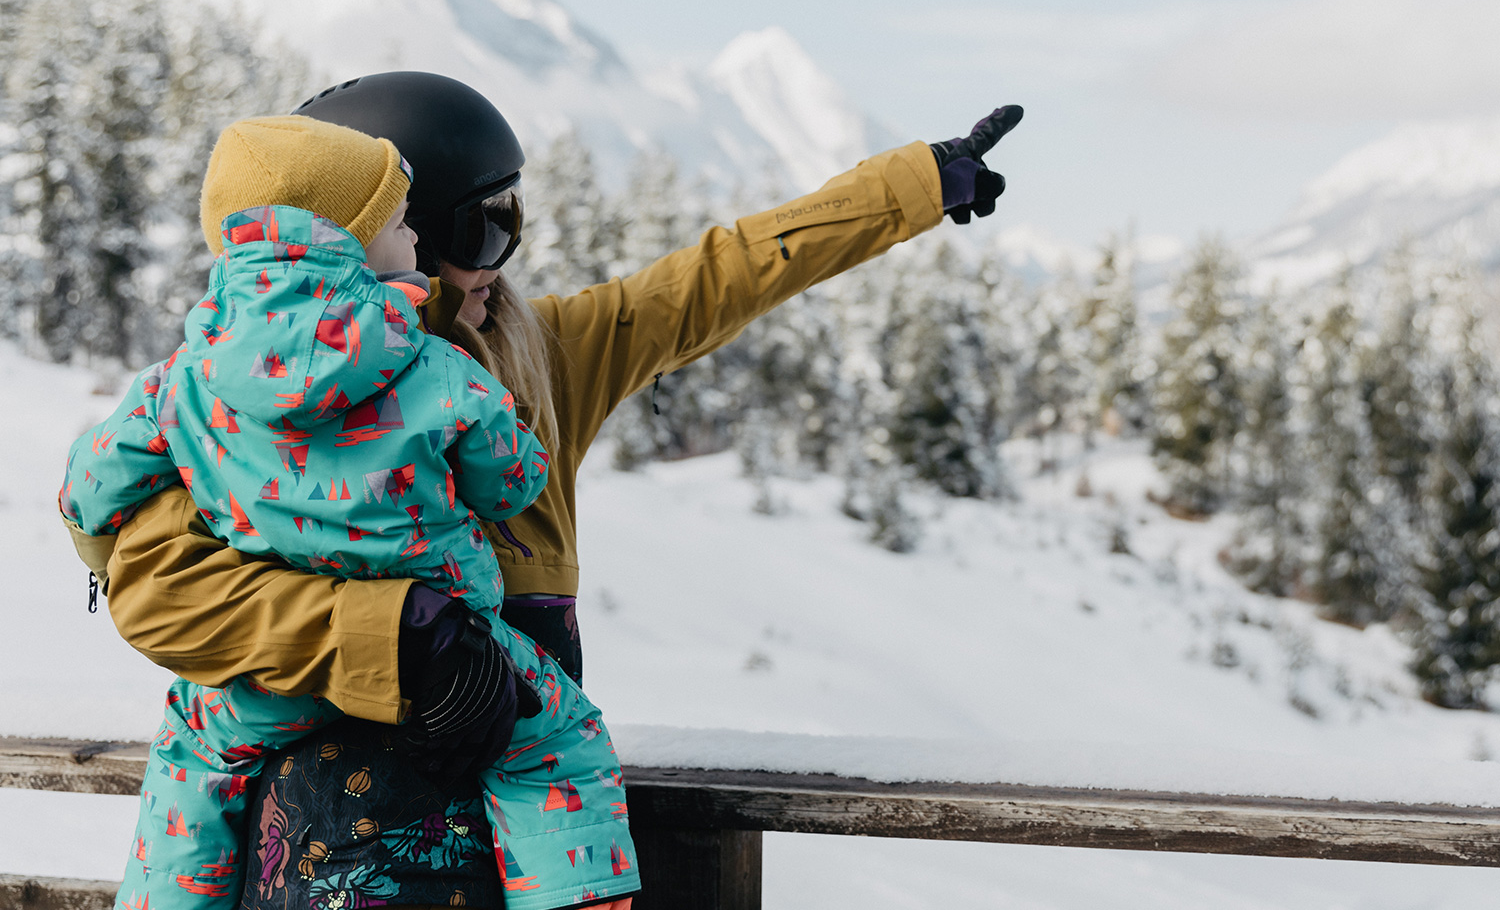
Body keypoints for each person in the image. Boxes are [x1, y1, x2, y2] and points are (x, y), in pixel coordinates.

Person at [67, 71, 1021, 908]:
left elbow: (717, 276)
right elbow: (156, 590)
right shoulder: (244, 406)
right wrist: (401, 639)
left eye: (511, 224)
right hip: (325, 842)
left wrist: (914, 185)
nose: (498, 264)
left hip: (513, 839)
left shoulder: (539, 360)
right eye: (480, 229)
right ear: (381, 245)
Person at [61, 115, 639, 910]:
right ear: (359, 244)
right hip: (451, 648)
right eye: (403, 225)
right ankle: (579, 896)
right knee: (557, 738)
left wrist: (100, 556)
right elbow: (514, 483)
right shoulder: (435, 366)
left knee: (193, 756)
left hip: (274, 673)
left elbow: (89, 490)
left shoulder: (183, 378)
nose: (418, 247)